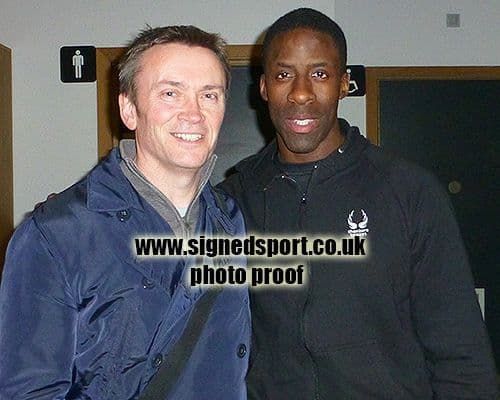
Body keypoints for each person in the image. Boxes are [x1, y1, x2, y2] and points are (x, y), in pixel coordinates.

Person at [219, 8, 498, 399]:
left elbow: (462, 356)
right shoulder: (232, 203)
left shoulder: (408, 192)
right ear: (264, 87)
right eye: (284, 75)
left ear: (344, 84)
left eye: (320, 74)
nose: (301, 93)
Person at [0, 25, 250, 399]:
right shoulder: (56, 234)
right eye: (170, 93)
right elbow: (29, 391)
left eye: (209, 95)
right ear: (129, 110)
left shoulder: (229, 219)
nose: (193, 114)